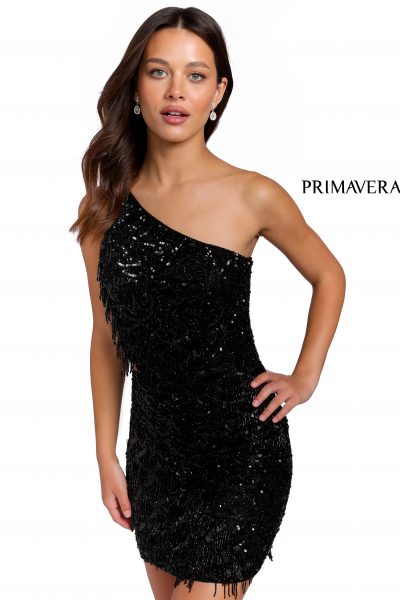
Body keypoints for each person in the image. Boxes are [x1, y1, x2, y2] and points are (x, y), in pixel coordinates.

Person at [70, 6, 346, 600]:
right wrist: (105, 454)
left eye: (196, 75)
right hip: (155, 458)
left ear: (218, 93)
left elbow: (329, 274)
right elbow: (106, 339)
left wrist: (304, 377)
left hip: (240, 453)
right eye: (159, 72)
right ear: (135, 87)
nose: (176, 91)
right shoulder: (103, 209)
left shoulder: (252, 194)